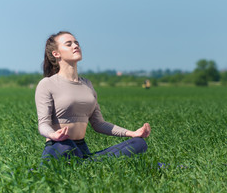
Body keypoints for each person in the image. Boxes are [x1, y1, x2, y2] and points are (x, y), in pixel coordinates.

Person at [35, 31, 151, 161]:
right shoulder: (47, 84)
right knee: (67, 146)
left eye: (76, 43)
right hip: (59, 147)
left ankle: (88, 163)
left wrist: (132, 133)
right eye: (69, 44)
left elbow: (98, 124)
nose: (75, 46)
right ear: (56, 54)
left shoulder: (87, 84)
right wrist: (53, 135)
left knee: (138, 143)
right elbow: (43, 124)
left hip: (82, 149)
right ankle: (91, 165)